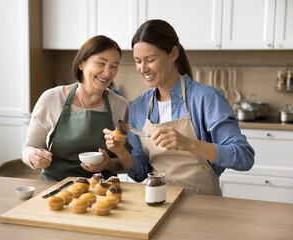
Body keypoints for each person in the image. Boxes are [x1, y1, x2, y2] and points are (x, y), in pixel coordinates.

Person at [103, 19, 254, 196]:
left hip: (203, 204)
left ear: (173, 53)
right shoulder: (139, 105)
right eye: (137, 61)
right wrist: (121, 152)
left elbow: (244, 157)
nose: (143, 69)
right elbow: (140, 172)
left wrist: (189, 143)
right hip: (157, 202)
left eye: (150, 59)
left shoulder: (206, 98)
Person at [22, 35, 129, 181]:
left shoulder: (120, 105)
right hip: (54, 188)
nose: (107, 72)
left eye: (114, 66)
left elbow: (128, 161)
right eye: (101, 63)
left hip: (102, 192)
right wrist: (33, 156)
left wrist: (108, 164)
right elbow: (28, 147)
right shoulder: (52, 98)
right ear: (81, 64)